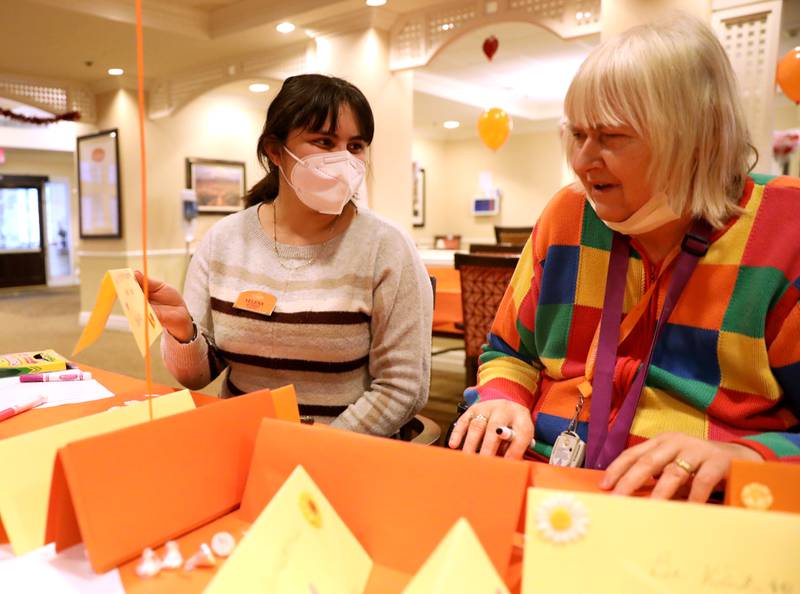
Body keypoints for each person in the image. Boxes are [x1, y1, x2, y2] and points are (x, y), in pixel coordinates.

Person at [448, 13, 800, 502]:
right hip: (544, 481)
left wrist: (748, 458)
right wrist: (502, 399)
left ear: (695, 138)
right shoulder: (567, 213)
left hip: (699, 504)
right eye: (577, 135)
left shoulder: (786, 228)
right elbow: (510, 353)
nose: (582, 160)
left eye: (611, 137)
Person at [139, 74, 433, 436]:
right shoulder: (223, 241)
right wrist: (183, 331)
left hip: (340, 455)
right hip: (238, 442)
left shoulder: (387, 248)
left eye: (355, 146)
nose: (343, 159)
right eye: (324, 142)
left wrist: (307, 450)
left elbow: (402, 388)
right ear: (275, 151)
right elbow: (197, 377)